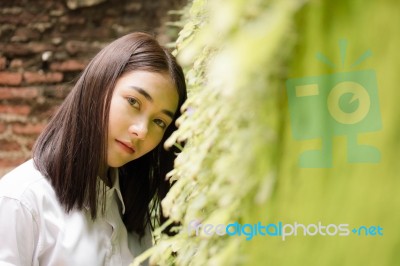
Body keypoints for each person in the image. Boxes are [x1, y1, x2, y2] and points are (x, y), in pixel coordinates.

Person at [0, 32, 187, 265]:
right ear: (98, 86)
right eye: (134, 102)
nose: (142, 130)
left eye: (159, 122)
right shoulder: (20, 201)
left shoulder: (132, 208)